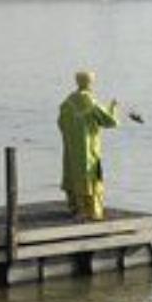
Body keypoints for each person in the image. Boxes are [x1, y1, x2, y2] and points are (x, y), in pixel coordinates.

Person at [58, 70, 120, 221]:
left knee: (74, 175)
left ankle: (76, 209)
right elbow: (110, 122)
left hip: (72, 150)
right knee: (90, 176)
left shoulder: (67, 102)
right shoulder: (91, 102)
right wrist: (113, 106)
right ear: (90, 83)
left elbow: (60, 124)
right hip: (89, 150)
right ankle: (90, 212)